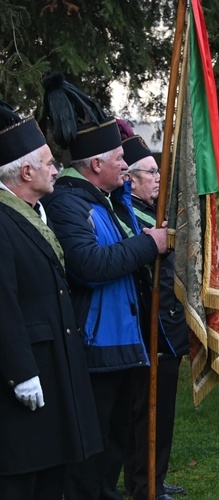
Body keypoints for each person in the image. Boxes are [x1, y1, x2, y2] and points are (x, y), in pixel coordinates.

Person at [40, 72, 169, 499]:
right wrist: (148, 244)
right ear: (96, 165)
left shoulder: (104, 202)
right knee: (89, 458)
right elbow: (87, 264)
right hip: (94, 351)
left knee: (113, 448)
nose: (125, 168)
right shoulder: (67, 204)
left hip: (119, 350)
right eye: (119, 159)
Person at [0, 100, 102, 499]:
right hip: (28, 365)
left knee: (50, 469)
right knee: (21, 472)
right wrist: (20, 372)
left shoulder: (33, 210)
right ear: (25, 171)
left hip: (53, 359)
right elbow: (3, 304)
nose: (56, 169)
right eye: (47, 163)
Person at [120, 133, 189, 500]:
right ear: (130, 179)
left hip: (167, 326)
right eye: (151, 172)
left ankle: (153, 478)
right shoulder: (131, 215)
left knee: (161, 412)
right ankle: (144, 483)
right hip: (148, 328)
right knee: (144, 413)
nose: (159, 178)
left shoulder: (152, 212)